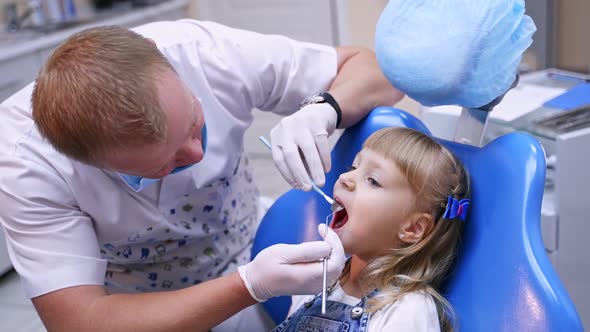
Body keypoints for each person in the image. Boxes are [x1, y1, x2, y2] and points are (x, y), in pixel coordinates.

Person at [0, 19, 402, 331]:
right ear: (91, 163)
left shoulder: (205, 54)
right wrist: (248, 285)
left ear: (160, 58)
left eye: (195, 123)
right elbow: (79, 320)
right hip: (142, 312)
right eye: (166, 163)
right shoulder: (25, 163)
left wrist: (325, 106)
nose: (197, 154)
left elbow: (376, 71)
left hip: (253, 242)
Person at [274, 127, 471, 332]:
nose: (344, 178)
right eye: (354, 166)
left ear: (413, 227)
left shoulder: (408, 311)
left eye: (373, 181)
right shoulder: (316, 283)